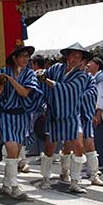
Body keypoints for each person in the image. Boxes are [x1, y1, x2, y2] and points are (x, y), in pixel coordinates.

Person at [38, 45, 94, 193]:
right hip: (54, 114)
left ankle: (75, 181)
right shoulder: (56, 68)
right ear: (67, 56)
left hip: (71, 115)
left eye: (78, 57)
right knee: (49, 148)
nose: (74, 59)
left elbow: (68, 90)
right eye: (72, 56)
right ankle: (45, 178)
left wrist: (46, 80)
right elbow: (42, 82)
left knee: (79, 147)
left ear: (82, 60)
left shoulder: (81, 75)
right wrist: (40, 74)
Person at [0, 44, 41, 200]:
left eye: (27, 56)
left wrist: (11, 80)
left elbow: (25, 93)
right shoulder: (1, 72)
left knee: (16, 153)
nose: (26, 59)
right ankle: (14, 185)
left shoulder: (29, 74)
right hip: (6, 115)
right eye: (23, 56)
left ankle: (6, 184)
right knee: (11, 149)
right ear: (14, 57)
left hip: (22, 116)